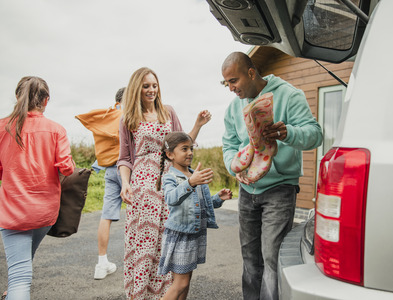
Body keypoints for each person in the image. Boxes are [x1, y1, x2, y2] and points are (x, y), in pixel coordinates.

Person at [221, 52, 323, 300]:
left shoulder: (289, 95)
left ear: (251, 73)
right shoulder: (233, 107)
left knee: (271, 259)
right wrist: (234, 166)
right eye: (226, 83)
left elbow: (315, 134)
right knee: (250, 260)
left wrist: (287, 133)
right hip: (247, 192)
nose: (231, 88)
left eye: (234, 81)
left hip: (279, 189)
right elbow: (229, 145)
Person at [117, 67, 211, 300]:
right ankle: (141, 294)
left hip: (171, 183)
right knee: (146, 243)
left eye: (154, 85)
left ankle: (169, 293)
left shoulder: (168, 112)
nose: (151, 90)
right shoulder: (128, 119)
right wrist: (125, 184)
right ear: (137, 89)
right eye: (146, 86)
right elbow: (125, 158)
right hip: (143, 188)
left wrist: (198, 125)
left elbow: (182, 145)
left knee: (172, 240)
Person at [0, 76, 74, 300]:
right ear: (46, 100)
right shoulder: (56, 129)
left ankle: (15, 290)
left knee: (20, 276)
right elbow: (66, 168)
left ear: (17, 96)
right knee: (23, 263)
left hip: (13, 211)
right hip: (45, 213)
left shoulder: (2, 127)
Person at [156, 132, 232, 300]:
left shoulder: (194, 174)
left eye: (191, 148)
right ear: (170, 154)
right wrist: (190, 182)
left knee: (186, 281)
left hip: (194, 234)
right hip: (181, 235)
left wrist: (218, 199)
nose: (190, 152)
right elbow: (171, 198)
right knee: (180, 283)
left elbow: (200, 204)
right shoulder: (170, 177)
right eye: (184, 149)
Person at [75, 87, 126, 280]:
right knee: (141, 213)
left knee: (106, 216)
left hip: (109, 171)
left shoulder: (105, 118)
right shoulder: (126, 116)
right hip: (127, 170)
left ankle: (101, 263)